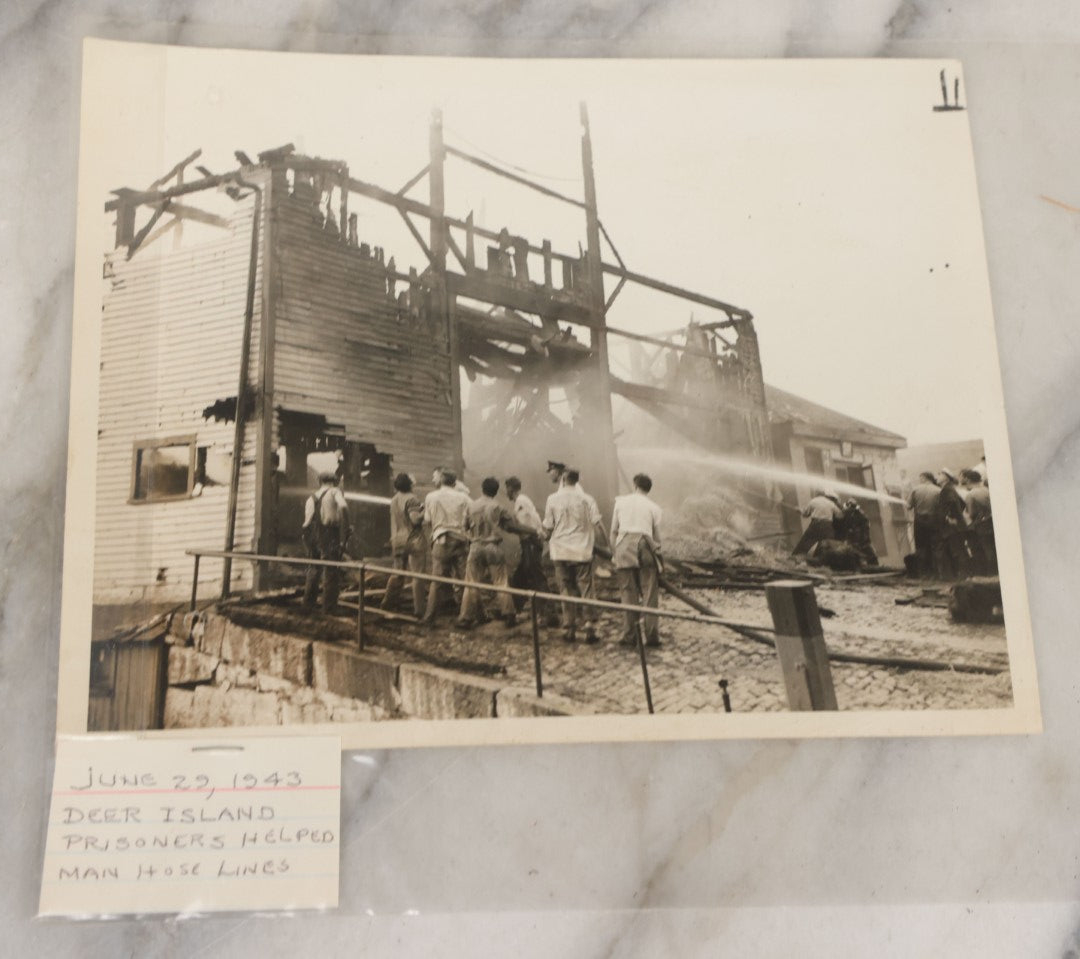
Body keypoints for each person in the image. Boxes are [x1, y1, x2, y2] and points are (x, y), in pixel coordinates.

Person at [457, 478, 538, 629]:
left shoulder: (471, 506)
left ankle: (465, 617)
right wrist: (533, 531)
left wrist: (473, 538)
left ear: (482, 489)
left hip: (475, 546)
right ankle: (509, 615)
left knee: (471, 583)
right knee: (501, 582)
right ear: (495, 491)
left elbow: (464, 527)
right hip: (493, 546)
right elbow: (511, 526)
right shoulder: (498, 507)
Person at [543, 468, 602, 643]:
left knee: (565, 589)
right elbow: (597, 525)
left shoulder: (552, 499)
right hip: (582, 551)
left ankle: (569, 629)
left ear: (563, 478)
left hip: (560, 551)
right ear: (577, 481)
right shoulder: (587, 499)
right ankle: (590, 627)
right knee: (586, 589)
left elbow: (548, 527)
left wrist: (544, 535)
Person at [611, 473, 663, 648]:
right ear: (648, 489)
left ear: (634, 486)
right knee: (649, 593)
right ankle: (652, 636)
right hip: (645, 544)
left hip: (624, 546)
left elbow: (613, 532)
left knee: (627, 592)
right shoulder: (654, 507)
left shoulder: (620, 502)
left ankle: (630, 635)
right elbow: (657, 539)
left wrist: (614, 553)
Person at [421, 469, 471, 624]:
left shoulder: (431, 497)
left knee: (437, 580)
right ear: (455, 483)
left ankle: (429, 617)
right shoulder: (464, 497)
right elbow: (470, 519)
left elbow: (427, 519)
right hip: (460, 540)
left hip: (440, 540)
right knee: (464, 579)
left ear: (441, 481)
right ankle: (467, 616)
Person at [302, 471, 351, 614]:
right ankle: (329, 608)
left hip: (310, 534)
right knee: (331, 570)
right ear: (335, 482)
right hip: (328, 533)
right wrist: (347, 526)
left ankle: (307, 604)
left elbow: (307, 521)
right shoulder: (335, 491)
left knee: (314, 568)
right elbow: (343, 507)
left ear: (320, 482)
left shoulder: (311, 498)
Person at [381, 472, 426, 618]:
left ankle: (387, 603)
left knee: (397, 573)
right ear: (409, 484)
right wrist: (425, 509)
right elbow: (415, 520)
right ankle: (419, 610)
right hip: (413, 540)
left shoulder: (394, 499)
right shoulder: (412, 499)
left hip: (398, 540)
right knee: (417, 575)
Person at [505, 475, 551, 610]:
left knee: (535, 574)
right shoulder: (521, 501)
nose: (506, 492)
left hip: (530, 542)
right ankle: (516, 607)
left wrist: (513, 527)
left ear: (511, 489)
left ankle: (548, 608)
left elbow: (528, 524)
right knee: (521, 575)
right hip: (529, 541)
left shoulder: (521, 501)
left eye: (507, 489)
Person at [934, 468, 971, 579]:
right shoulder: (949, 488)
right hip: (956, 526)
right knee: (958, 549)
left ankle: (964, 575)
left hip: (952, 527)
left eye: (939, 474)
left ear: (946, 477)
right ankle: (963, 574)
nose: (937, 476)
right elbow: (962, 504)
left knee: (958, 550)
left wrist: (950, 517)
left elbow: (952, 502)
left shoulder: (947, 490)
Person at [962, 468, 997, 575]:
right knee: (992, 546)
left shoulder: (971, 494)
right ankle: (995, 570)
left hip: (981, 524)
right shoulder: (986, 490)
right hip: (991, 521)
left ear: (968, 480)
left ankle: (989, 571)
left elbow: (971, 513)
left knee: (985, 548)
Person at [906, 472, 941, 577]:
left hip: (920, 521)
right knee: (935, 546)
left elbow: (908, 506)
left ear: (925, 478)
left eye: (920, 478)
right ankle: (937, 573)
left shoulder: (915, 490)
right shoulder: (938, 490)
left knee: (921, 547)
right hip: (934, 521)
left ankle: (924, 573)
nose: (919, 480)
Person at [792, 490, 843, 556]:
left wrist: (799, 510)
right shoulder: (831, 503)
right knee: (831, 542)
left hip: (815, 524)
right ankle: (832, 558)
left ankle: (796, 556)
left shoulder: (813, 501)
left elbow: (806, 514)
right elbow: (840, 516)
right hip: (827, 525)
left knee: (806, 541)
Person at [839, 498, 879, 567]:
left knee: (869, 553)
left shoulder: (859, 514)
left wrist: (863, 537)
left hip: (861, 538)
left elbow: (865, 526)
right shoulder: (848, 514)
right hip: (853, 539)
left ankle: (874, 566)